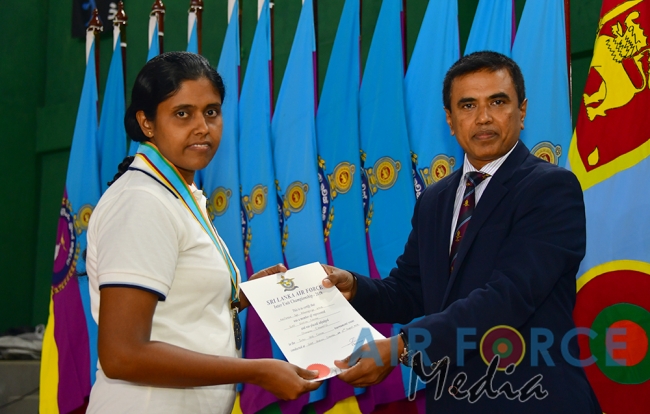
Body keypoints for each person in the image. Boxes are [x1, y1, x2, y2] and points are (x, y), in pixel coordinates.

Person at [323, 51, 601, 413]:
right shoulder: (435, 200)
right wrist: (354, 288)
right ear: (450, 120)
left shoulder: (550, 189)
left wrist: (401, 347)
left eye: (498, 102)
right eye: (468, 105)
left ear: (522, 111)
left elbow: (508, 297)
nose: (483, 117)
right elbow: (411, 290)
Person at [86, 51, 320, 413]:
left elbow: (180, 309)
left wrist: (243, 295)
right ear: (146, 123)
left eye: (211, 112)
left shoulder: (175, 193)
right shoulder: (142, 202)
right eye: (183, 113)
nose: (202, 127)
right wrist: (257, 371)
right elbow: (122, 354)